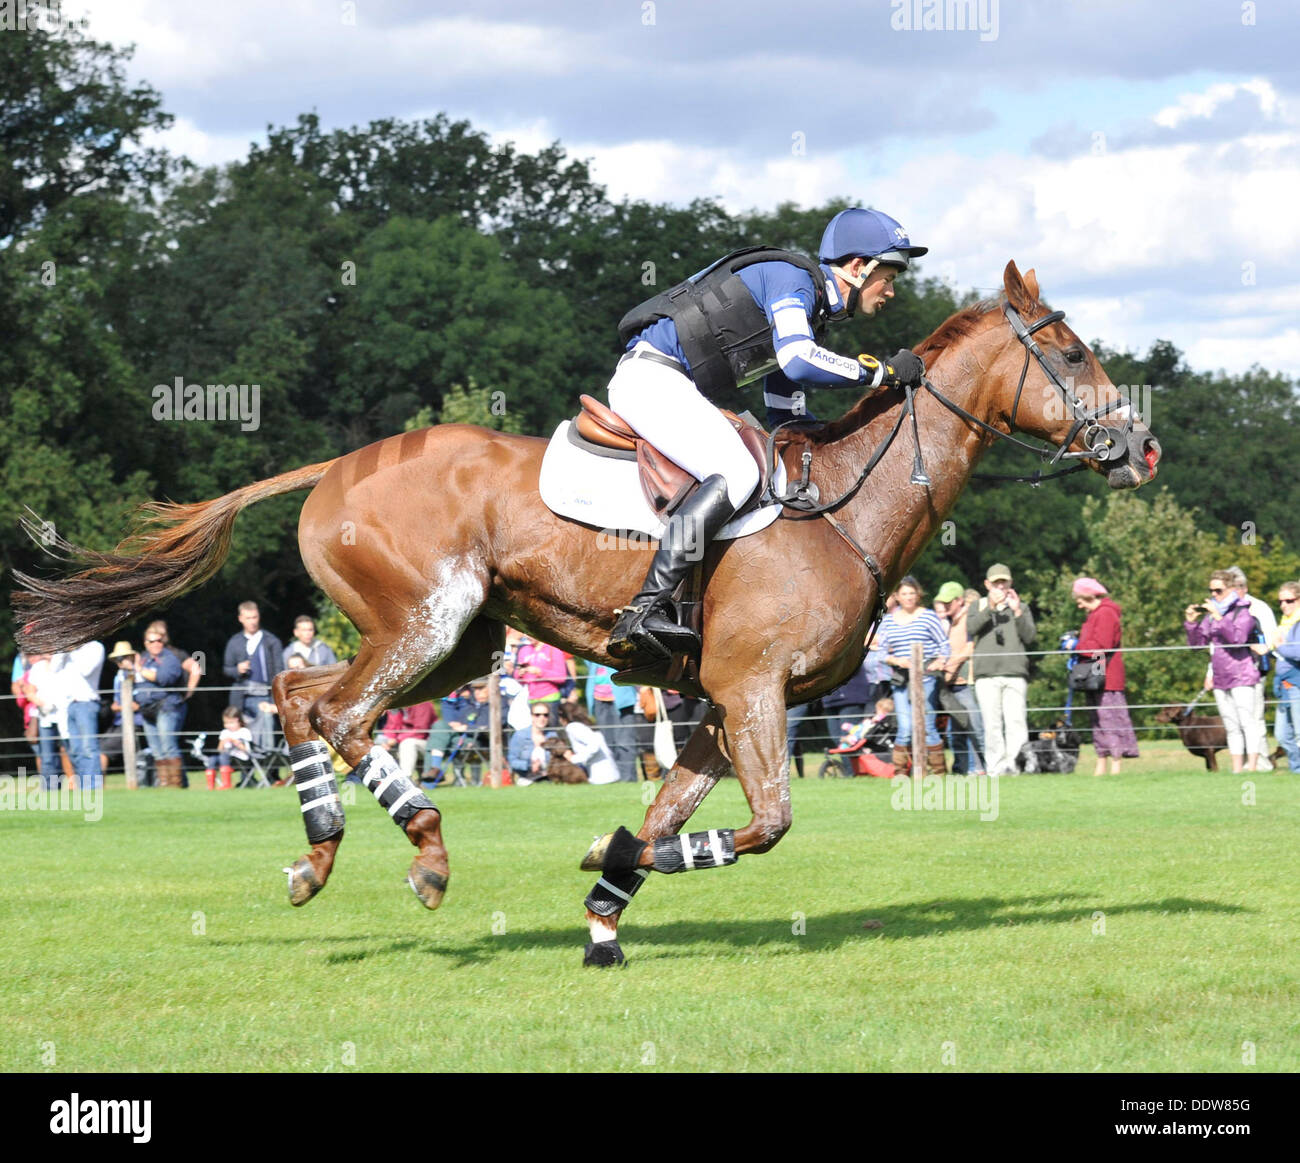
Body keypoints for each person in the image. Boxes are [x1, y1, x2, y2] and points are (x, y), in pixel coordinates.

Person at [606, 207, 929, 662]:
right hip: (653, 380)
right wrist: (882, 373)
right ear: (858, 268)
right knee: (737, 473)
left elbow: (782, 396)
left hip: (671, 385)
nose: (891, 291)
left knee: (767, 473)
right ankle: (644, 610)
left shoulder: (810, 304)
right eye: (889, 277)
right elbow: (799, 359)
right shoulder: (791, 279)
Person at [1185, 569, 1264, 772]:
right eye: (1211, 590)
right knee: (1231, 725)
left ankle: (1252, 766)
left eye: (1218, 590)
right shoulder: (1211, 616)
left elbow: (1237, 639)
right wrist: (1191, 623)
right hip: (1220, 677)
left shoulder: (1243, 612)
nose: (1214, 595)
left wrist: (1219, 617)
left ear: (1231, 589)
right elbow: (1197, 645)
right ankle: (1237, 769)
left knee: (1247, 723)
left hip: (1242, 675)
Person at [967, 563, 1037, 777]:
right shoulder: (977, 606)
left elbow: (1030, 637)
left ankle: (1016, 767)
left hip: (1015, 673)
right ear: (987, 584)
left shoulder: (1021, 607)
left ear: (1010, 583)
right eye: (995, 582)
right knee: (992, 724)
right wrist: (990, 608)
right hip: (986, 675)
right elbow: (970, 629)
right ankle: (996, 769)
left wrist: (1016, 612)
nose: (1000, 586)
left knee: (1016, 723)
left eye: (1003, 582)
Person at [876, 576, 950, 776]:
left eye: (912, 593)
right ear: (897, 597)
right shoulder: (889, 621)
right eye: (904, 594)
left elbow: (944, 644)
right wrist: (897, 661)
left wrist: (939, 662)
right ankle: (900, 772)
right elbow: (881, 653)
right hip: (901, 679)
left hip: (926, 677)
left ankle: (939, 771)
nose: (908, 597)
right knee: (905, 726)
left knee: (926, 723)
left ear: (918, 595)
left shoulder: (928, 616)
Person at [1072, 578, 1139, 776]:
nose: (1078, 603)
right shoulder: (1094, 615)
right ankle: (1101, 763)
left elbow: (1102, 645)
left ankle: (1116, 766)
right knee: (1097, 719)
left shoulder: (1106, 613)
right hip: (1094, 673)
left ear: (1089, 595)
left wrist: (1075, 647)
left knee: (1110, 719)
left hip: (1108, 674)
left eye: (1079, 598)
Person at [1226, 566, 1277, 771]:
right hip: (1229, 671)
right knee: (1235, 719)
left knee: (1254, 716)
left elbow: (1272, 638)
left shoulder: (1259, 608)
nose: (1234, 591)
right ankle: (1245, 761)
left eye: (1237, 587)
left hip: (1253, 669)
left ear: (1245, 588)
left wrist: (1261, 650)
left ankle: (1261, 760)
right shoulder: (1223, 609)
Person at [935, 581, 985, 776]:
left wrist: (952, 664)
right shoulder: (949, 622)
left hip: (966, 682)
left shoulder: (968, 619)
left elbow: (971, 646)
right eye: (943, 602)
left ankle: (981, 768)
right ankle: (961, 770)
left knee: (974, 728)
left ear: (959, 600)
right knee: (955, 732)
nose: (945, 606)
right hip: (952, 684)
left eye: (949, 602)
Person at [221, 602, 285, 750]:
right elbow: (226, 669)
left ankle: (269, 771)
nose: (253, 621)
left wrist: (274, 698)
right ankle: (246, 772)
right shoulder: (234, 642)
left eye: (255, 617)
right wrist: (237, 669)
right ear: (240, 619)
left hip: (265, 695)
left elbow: (279, 671)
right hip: (241, 697)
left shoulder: (271, 641)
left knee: (266, 734)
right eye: (248, 618)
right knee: (242, 735)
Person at [47, 639, 106, 791]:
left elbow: (86, 669)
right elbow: (53, 669)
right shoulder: (68, 650)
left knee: (88, 748)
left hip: (86, 702)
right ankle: (83, 786)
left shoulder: (95, 647)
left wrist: (72, 649)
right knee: (75, 749)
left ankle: (93, 787)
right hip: (69, 705)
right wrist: (63, 649)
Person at [133, 628, 186, 787]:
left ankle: (175, 784)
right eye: (152, 641)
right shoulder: (143, 659)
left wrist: (140, 670)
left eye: (159, 641)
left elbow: (164, 679)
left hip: (166, 707)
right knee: (156, 749)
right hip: (147, 709)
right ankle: (164, 784)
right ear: (145, 643)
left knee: (168, 746)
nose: (156, 644)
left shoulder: (170, 659)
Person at [584, 660, 639, 782]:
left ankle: (628, 779)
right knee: (608, 742)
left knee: (625, 742)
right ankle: (614, 778)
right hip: (599, 698)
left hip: (622, 701)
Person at [1267, 581, 1300, 771]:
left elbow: (1297, 652)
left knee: (1299, 734)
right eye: (1280, 602)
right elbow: (1284, 652)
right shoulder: (1285, 624)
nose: (1283, 605)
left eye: (1289, 601)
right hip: (1283, 684)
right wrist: (1268, 650)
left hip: (1296, 682)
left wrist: (1279, 646)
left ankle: (1297, 771)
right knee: (1282, 735)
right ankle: (1296, 769)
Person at [557, 702, 620, 785]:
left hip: (602, 777)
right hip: (610, 774)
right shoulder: (585, 724)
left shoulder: (573, 727)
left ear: (562, 717)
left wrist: (574, 758)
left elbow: (594, 746)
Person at [514, 637, 571, 722]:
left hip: (550, 698)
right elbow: (518, 678)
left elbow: (561, 678)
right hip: (532, 699)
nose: (527, 637)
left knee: (551, 731)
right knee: (535, 731)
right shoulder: (524, 650)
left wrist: (540, 672)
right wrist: (519, 674)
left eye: (529, 634)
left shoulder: (553, 649)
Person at [508, 703, 562, 785]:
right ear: (531, 716)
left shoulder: (552, 736)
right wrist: (529, 765)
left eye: (545, 715)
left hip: (550, 778)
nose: (542, 718)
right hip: (526, 778)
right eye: (537, 715)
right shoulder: (520, 735)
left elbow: (560, 759)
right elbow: (512, 761)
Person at [212, 705, 253, 790]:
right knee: (211, 760)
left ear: (239, 721)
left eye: (231, 722)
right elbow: (219, 750)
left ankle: (227, 784)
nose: (228, 725)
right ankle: (210, 786)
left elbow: (247, 750)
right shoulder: (224, 732)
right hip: (226, 759)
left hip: (242, 759)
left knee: (224, 756)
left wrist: (236, 742)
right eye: (226, 723)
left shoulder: (244, 731)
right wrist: (223, 742)